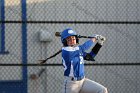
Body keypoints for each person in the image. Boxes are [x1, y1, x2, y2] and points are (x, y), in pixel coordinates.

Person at [61, 28, 108, 93]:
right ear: (64, 41)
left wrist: (99, 44)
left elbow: (91, 56)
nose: (72, 40)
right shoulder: (66, 51)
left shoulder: (77, 50)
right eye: (69, 39)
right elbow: (83, 47)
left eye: (73, 38)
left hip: (82, 81)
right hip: (71, 84)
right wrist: (94, 38)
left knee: (102, 90)